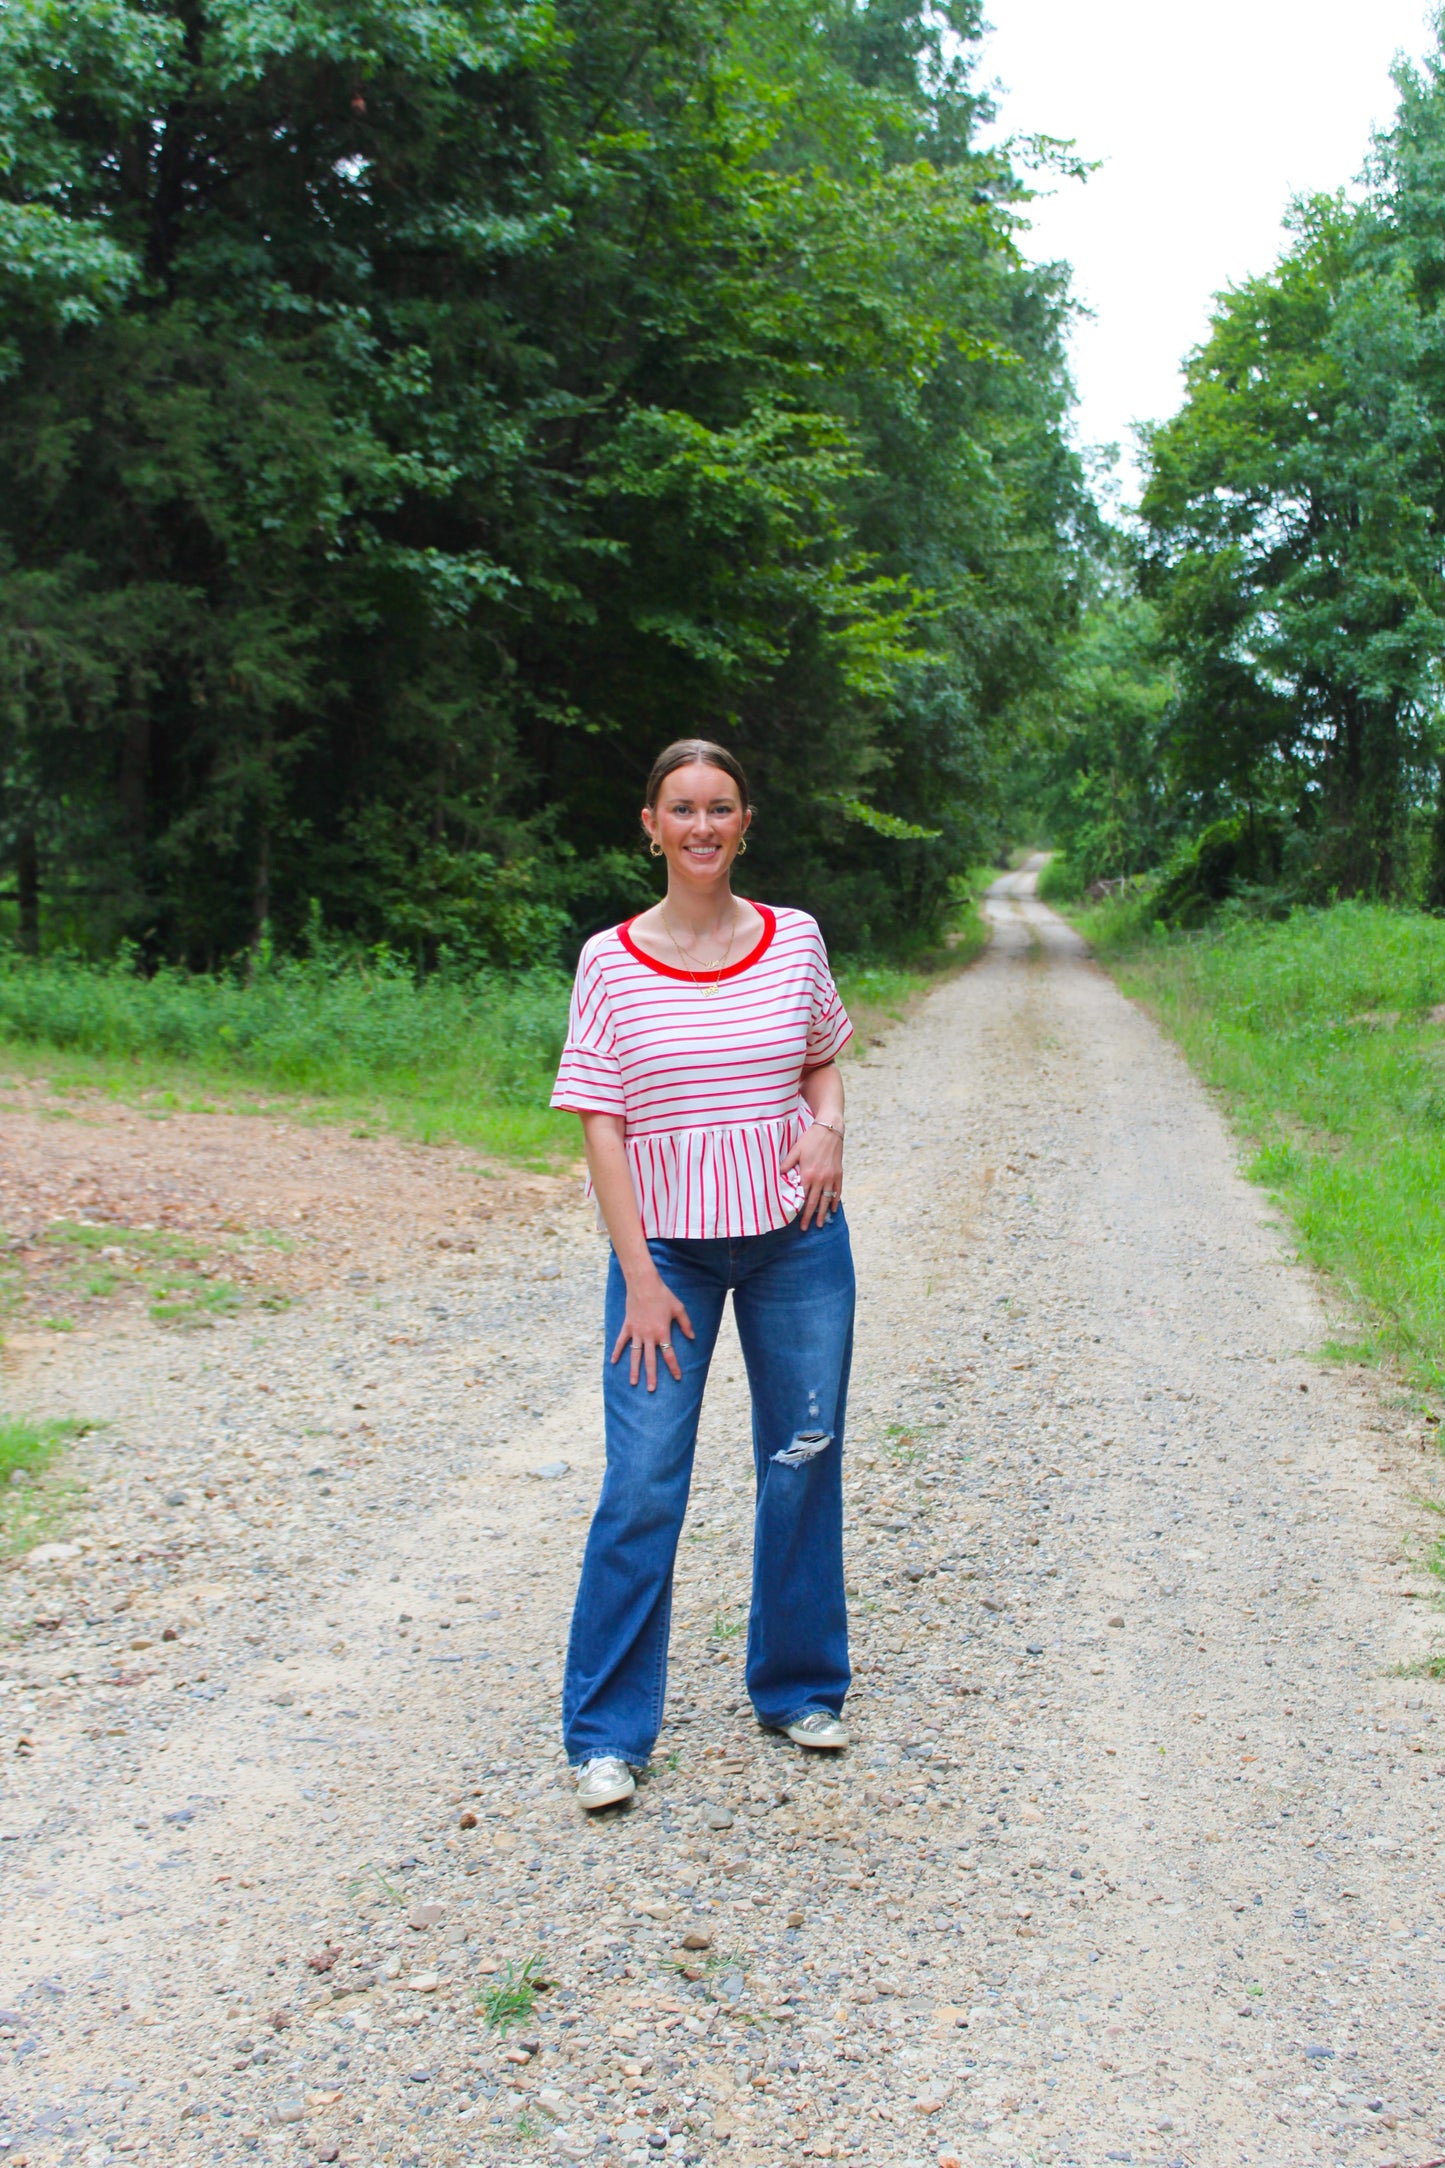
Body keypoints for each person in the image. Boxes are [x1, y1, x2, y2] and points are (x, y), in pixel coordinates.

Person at [550, 739, 857, 1810]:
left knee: (801, 1457)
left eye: (718, 807)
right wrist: (635, 1272)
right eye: (680, 807)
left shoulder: (792, 937)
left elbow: (821, 1053)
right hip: (664, 1257)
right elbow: (600, 1121)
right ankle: (605, 1732)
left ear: (743, 820)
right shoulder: (609, 958)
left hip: (795, 1238)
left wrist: (827, 1127)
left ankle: (798, 1685)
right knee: (640, 1484)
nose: (700, 825)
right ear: (650, 823)